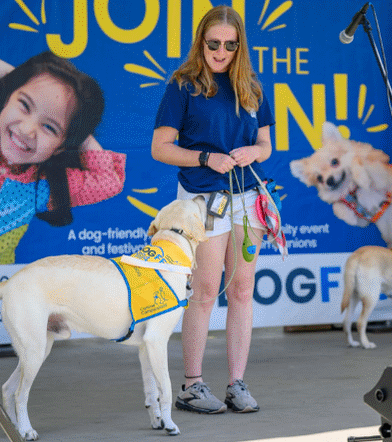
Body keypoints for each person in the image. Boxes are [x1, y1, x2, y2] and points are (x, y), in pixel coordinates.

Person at [151, 5, 273, 414]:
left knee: (242, 290)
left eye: (230, 45)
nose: (221, 52)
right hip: (203, 198)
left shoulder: (252, 88)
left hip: (246, 198)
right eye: (213, 44)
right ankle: (192, 384)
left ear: (240, 47)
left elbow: (266, 145)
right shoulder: (183, 86)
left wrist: (252, 151)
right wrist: (206, 158)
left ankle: (237, 383)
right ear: (200, 42)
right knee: (204, 292)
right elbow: (160, 148)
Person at [0, 52, 124, 264]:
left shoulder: (41, 186)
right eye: (25, 104)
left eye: (49, 127)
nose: (27, 130)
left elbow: (110, 180)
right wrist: (15, 78)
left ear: (60, 147)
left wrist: (79, 132)